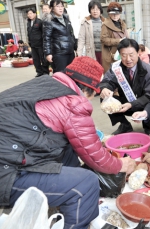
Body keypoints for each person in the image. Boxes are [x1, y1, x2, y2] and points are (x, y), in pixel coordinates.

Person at [0, 56, 137, 229]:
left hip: (13, 150)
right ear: (89, 90)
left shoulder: (45, 83)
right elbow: (97, 159)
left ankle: (78, 209)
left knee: (70, 150)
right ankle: (78, 205)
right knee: (86, 183)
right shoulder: (73, 103)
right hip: (7, 173)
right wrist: (121, 164)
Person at [99, 38, 150, 135]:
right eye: (124, 55)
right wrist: (105, 88)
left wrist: (132, 104)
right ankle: (124, 124)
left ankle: (148, 124)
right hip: (124, 103)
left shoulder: (149, 71)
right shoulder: (116, 67)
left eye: (131, 55)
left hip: (142, 104)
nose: (128, 59)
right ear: (119, 55)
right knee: (105, 99)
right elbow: (108, 81)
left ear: (138, 53)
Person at [43, 0, 76, 73]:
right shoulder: (49, 21)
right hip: (59, 53)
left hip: (70, 52)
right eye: (57, 6)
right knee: (61, 75)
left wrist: (75, 47)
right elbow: (46, 38)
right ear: (52, 8)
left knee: (71, 73)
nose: (60, 8)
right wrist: (48, 53)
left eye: (62, 6)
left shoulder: (66, 19)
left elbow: (71, 34)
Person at [101, 2, 128, 72]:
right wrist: (118, 41)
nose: (115, 15)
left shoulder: (122, 23)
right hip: (111, 55)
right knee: (112, 76)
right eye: (113, 13)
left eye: (117, 13)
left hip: (122, 54)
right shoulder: (105, 24)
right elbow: (103, 39)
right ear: (109, 14)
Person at [77, 0, 105, 65]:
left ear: (100, 10)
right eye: (93, 9)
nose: (95, 11)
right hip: (91, 52)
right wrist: (79, 54)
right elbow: (81, 39)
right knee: (93, 72)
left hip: (104, 52)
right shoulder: (85, 22)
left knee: (104, 72)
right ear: (90, 10)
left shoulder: (105, 22)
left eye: (97, 9)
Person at [27, 8, 50, 77]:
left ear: (35, 14)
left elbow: (43, 33)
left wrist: (44, 43)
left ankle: (45, 72)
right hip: (33, 45)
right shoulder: (28, 23)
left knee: (43, 59)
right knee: (36, 60)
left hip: (40, 44)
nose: (29, 15)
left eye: (31, 13)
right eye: (28, 14)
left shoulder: (39, 22)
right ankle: (39, 72)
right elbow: (29, 34)